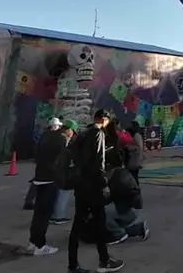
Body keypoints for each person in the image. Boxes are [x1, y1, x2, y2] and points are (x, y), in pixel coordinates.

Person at [68, 109, 124, 273]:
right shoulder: (98, 134)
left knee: (77, 226)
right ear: (104, 120)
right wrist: (104, 183)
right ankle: (104, 261)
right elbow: (98, 161)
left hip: (80, 186)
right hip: (93, 186)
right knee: (100, 224)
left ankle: (73, 265)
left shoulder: (83, 134)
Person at [28, 117, 68, 256]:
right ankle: (40, 245)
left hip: (39, 177)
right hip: (51, 179)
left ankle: (32, 242)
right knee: (45, 214)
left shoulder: (43, 137)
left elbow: (36, 155)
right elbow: (62, 160)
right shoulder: (60, 139)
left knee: (38, 213)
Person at [105, 163, 150, 243]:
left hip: (130, 210)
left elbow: (111, 198)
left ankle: (119, 234)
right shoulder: (120, 174)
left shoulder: (119, 180)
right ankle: (138, 229)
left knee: (104, 213)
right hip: (131, 209)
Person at [51, 120, 79, 224]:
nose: (66, 131)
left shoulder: (59, 138)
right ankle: (59, 216)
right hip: (64, 171)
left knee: (59, 193)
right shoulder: (64, 140)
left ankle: (54, 214)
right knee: (63, 194)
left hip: (59, 170)